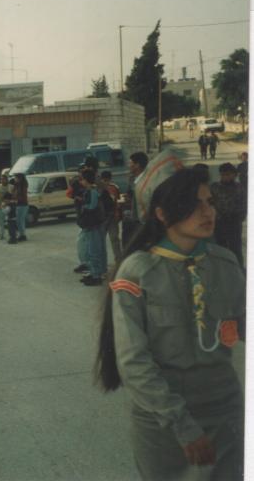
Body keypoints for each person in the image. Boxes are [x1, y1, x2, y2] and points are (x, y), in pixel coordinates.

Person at [95, 168, 245, 480]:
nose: (208, 212)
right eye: (195, 204)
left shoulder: (226, 264)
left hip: (225, 413)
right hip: (163, 422)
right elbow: (134, 362)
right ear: (162, 214)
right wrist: (183, 426)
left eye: (210, 202)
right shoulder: (137, 272)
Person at [210, 162, 245, 267]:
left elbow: (244, 204)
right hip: (219, 222)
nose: (226, 177)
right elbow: (210, 204)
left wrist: (239, 217)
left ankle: (239, 271)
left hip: (234, 222)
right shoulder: (214, 187)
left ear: (234, 175)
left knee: (236, 249)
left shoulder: (239, 188)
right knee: (220, 248)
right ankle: (222, 270)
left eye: (228, 174)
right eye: (223, 174)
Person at [77, 169, 104, 286]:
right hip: (91, 224)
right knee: (89, 250)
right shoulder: (90, 190)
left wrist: (83, 206)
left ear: (87, 180)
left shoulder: (92, 191)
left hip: (93, 224)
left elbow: (92, 206)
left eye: (82, 179)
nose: (80, 181)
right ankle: (93, 273)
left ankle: (96, 275)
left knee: (94, 250)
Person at [121, 152, 148, 251]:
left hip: (143, 221)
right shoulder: (132, 178)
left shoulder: (147, 180)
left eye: (130, 163)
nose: (129, 166)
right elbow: (130, 194)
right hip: (132, 217)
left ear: (137, 165)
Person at [100, 170, 122, 263]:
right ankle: (118, 259)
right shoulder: (114, 187)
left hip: (106, 217)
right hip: (109, 217)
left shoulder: (111, 188)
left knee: (106, 239)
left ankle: (115, 259)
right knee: (114, 239)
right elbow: (117, 200)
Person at [12, 172, 29, 242]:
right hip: (20, 204)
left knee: (20, 221)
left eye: (16, 178)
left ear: (19, 178)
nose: (15, 179)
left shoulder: (22, 187)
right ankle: (21, 234)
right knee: (19, 221)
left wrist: (16, 200)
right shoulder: (17, 186)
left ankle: (22, 235)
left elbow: (22, 196)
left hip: (22, 204)